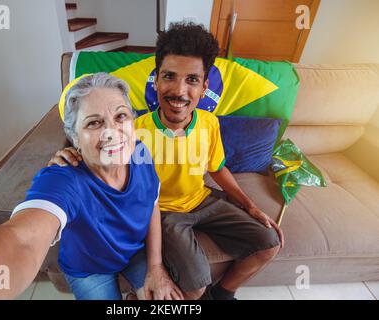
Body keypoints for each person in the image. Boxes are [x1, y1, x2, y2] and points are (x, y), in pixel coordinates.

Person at [50, 22, 284, 300]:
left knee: (269, 243)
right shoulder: (134, 131)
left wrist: (251, 207)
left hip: (203, 198)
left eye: (192, 80)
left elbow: (217, 168)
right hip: (165, 213)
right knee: (195, 286)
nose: (179, 91)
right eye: (169, 77)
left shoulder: (209, 123)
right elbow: (98, 155)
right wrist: (71, 155)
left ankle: (222, 293)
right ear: (156, 80)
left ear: (204, 86)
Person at [0, 73, 182, 300]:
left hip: (135, 255)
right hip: (88, 270)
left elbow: (152, 204)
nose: (112, 131)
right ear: (75, 139)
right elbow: (21, 240)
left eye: (120, 116)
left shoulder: (140, 152)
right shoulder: (63, 178)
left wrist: (156, 266)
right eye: (94, 123)